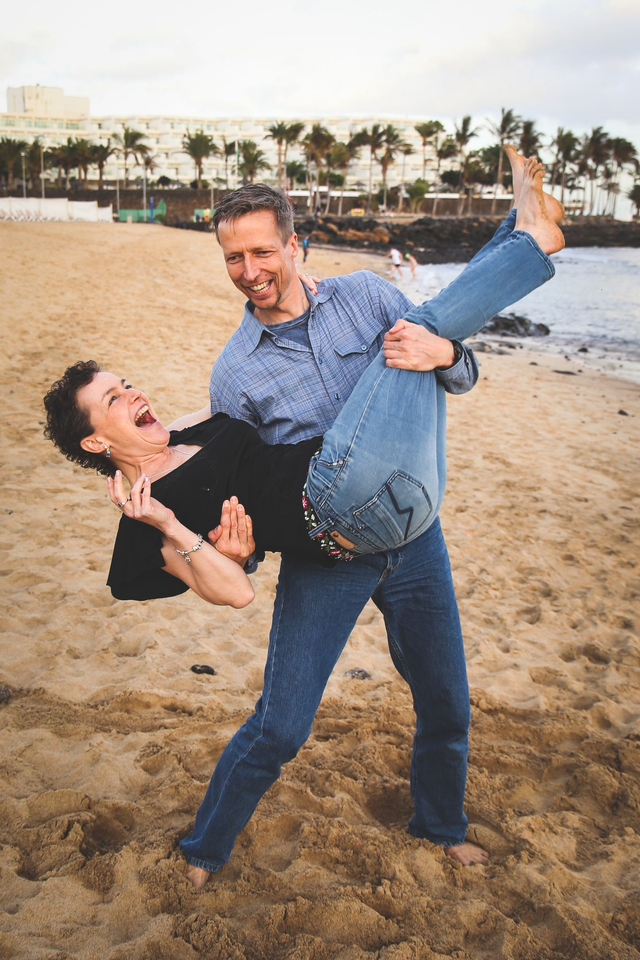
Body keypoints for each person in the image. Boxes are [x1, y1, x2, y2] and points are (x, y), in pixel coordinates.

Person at [45, 153, 563, 886]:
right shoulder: (235, 375)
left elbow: (463, 374)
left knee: (446, 700)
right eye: (233, 257)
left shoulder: (363, 297)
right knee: (281, 722)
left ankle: (441, 825)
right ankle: (527, 238)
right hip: (331, 544)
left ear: (296, 247)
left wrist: (444, 352)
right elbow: (245, 500)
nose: (250, 269)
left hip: (415, 526)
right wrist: (232, 545)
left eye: (262, 251)